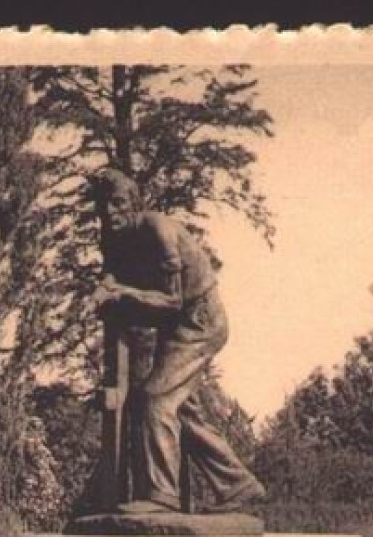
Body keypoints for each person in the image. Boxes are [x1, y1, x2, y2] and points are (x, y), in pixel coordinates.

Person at [88, 168, 267, 515]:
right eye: (103, 206)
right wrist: (104, 287)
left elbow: (173, 300)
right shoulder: (114, 236)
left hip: (200, 321)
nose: (110, 212)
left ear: (135, 204)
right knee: (182, 410)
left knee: (154, 399)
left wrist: (123, 293)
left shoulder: (159, 231)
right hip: (174, 325)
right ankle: (238, 485)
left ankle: (161, 497)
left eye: (118, 203)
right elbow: (112, 270)